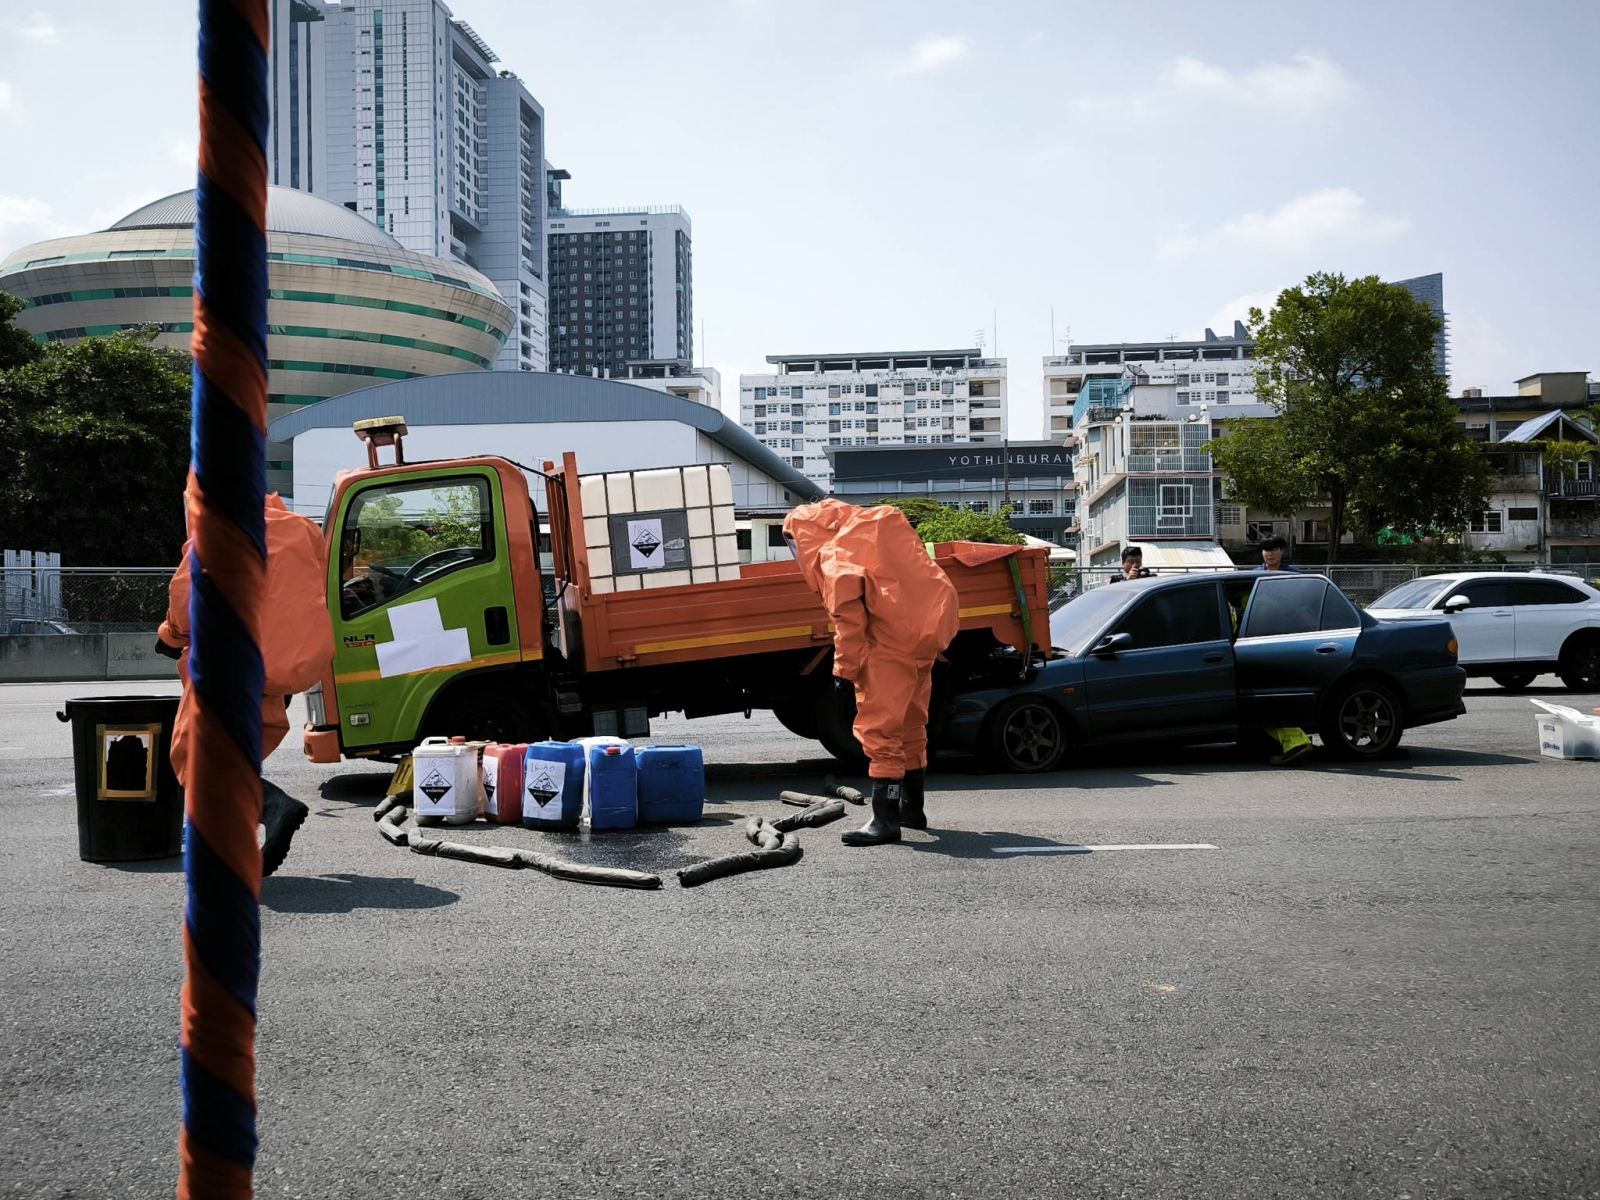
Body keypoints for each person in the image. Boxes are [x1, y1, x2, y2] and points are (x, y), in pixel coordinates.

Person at [156, 491, 334, 875]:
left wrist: (169, 636)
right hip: (282, 671)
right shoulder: (303, 531)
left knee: (195, 757)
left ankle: (272, 805)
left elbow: (184, 599)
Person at [784, 499, 960, 846]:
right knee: (911, 725)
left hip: (887, 647)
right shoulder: (878, 529)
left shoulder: (835, 555)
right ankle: (912, 809)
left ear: (806, 534)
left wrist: (843, 670)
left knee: (880, 732)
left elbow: (848, 619)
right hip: (923, 639)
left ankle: (885, 820)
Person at [1248, 535, 1314, 765]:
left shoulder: (1293, 576)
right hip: (1259, 641)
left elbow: (1305, 607)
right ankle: (1294, 740)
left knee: (1281, 694)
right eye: (1266, 549)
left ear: (1282, 551)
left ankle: (1297, 740)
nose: (1270, 553)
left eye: (1274, 548)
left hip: (1289, 641)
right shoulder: (1254, 576)